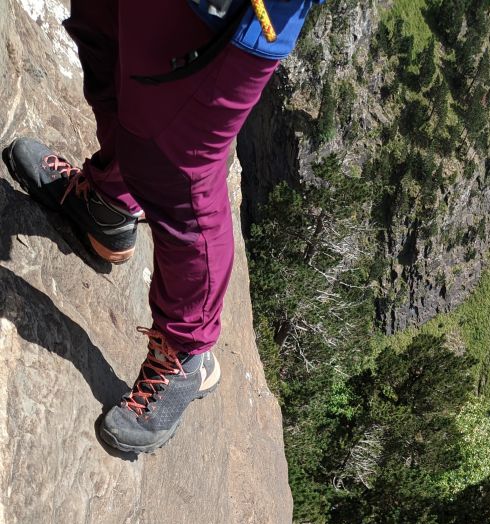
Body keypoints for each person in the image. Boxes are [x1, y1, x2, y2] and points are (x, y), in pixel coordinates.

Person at [2, 0, 324, 454]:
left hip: (228, 14)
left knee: (178, 173)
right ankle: (110, 203)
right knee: (105, 48)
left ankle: (186, 351)